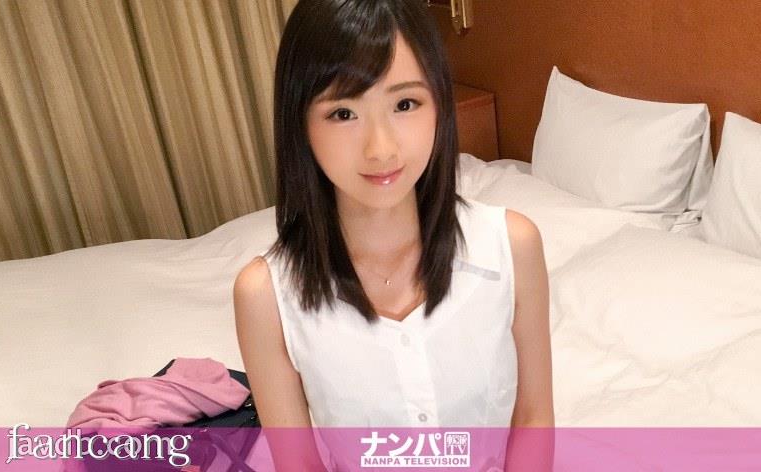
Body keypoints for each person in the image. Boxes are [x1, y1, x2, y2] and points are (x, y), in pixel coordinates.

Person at [232, 0, 552, 469]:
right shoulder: (265, 296)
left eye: (404, 104)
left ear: (438, 104)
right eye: (344, 113)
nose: (380, 149)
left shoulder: (512, 247)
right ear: (300, 122)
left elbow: (533, 418)